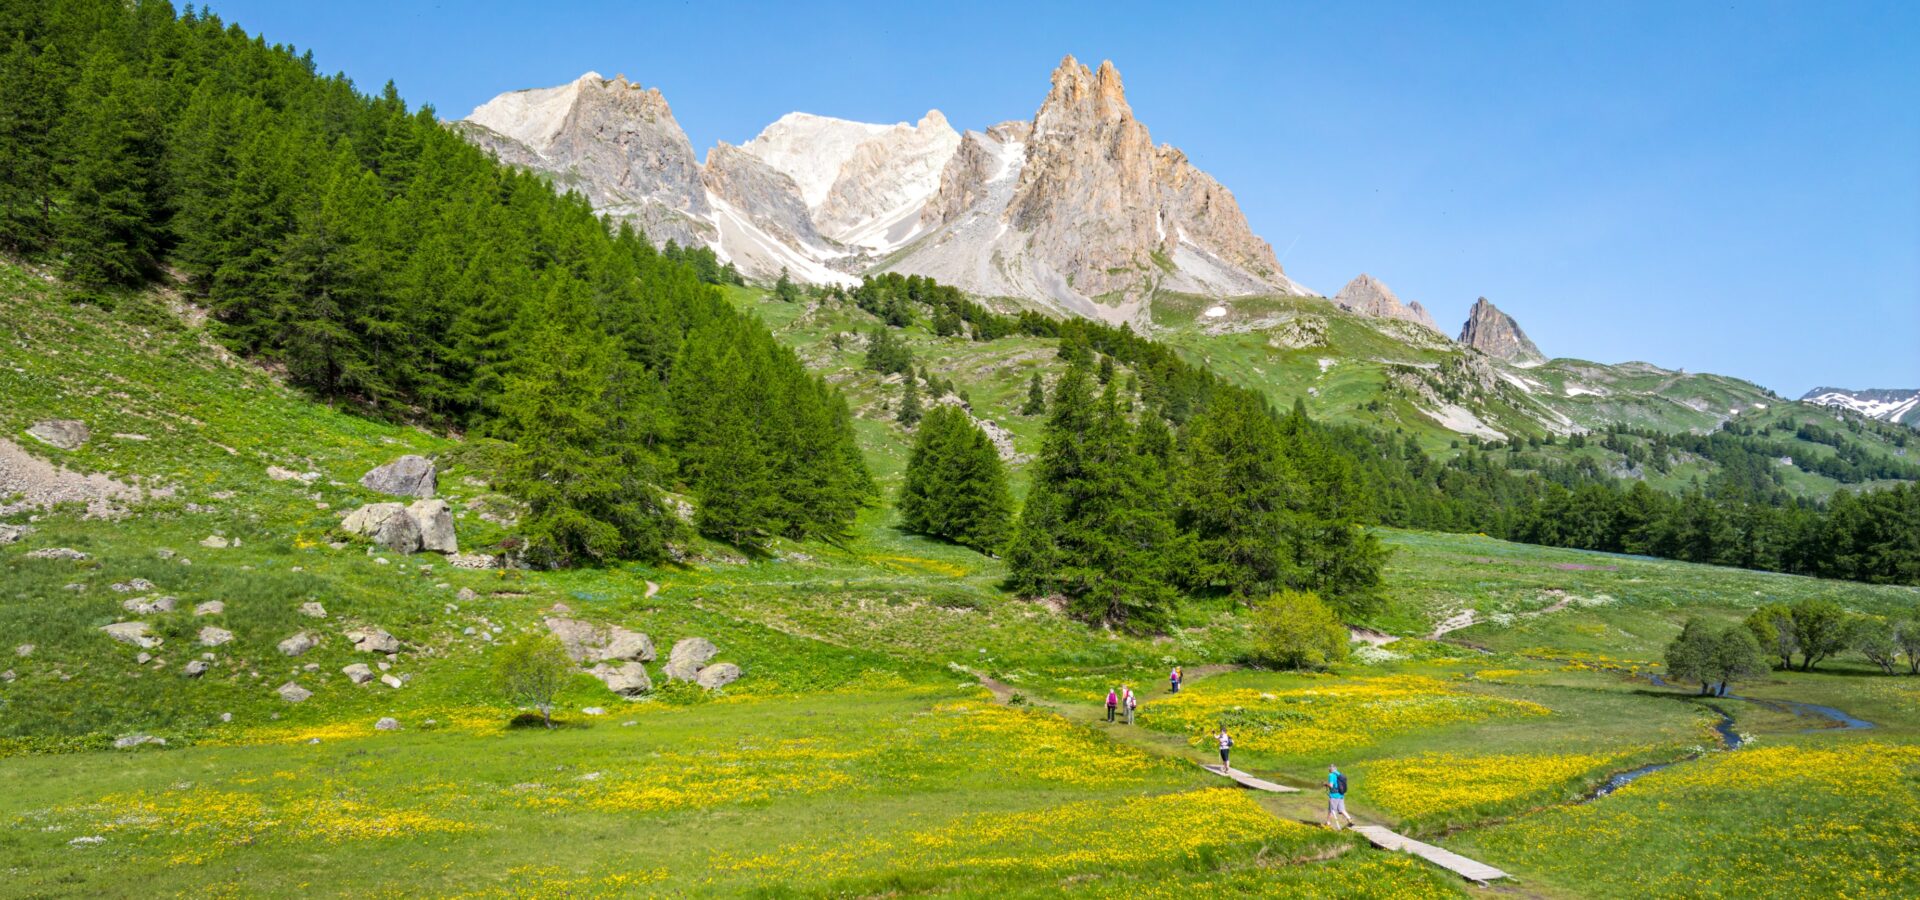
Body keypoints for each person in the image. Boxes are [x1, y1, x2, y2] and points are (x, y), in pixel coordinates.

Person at [1325, 764, 1355, 829]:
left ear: (1331, 769)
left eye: (1329, 769)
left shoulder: (1331, 775)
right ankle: (1349, 820)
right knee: (1342, 809)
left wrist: (1326, 784)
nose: (1328, 770)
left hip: (1334, 795)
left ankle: (1327, 823)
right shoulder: (1339, 774)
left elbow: (1331, 785)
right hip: (1341, 795)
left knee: (1331, 810)